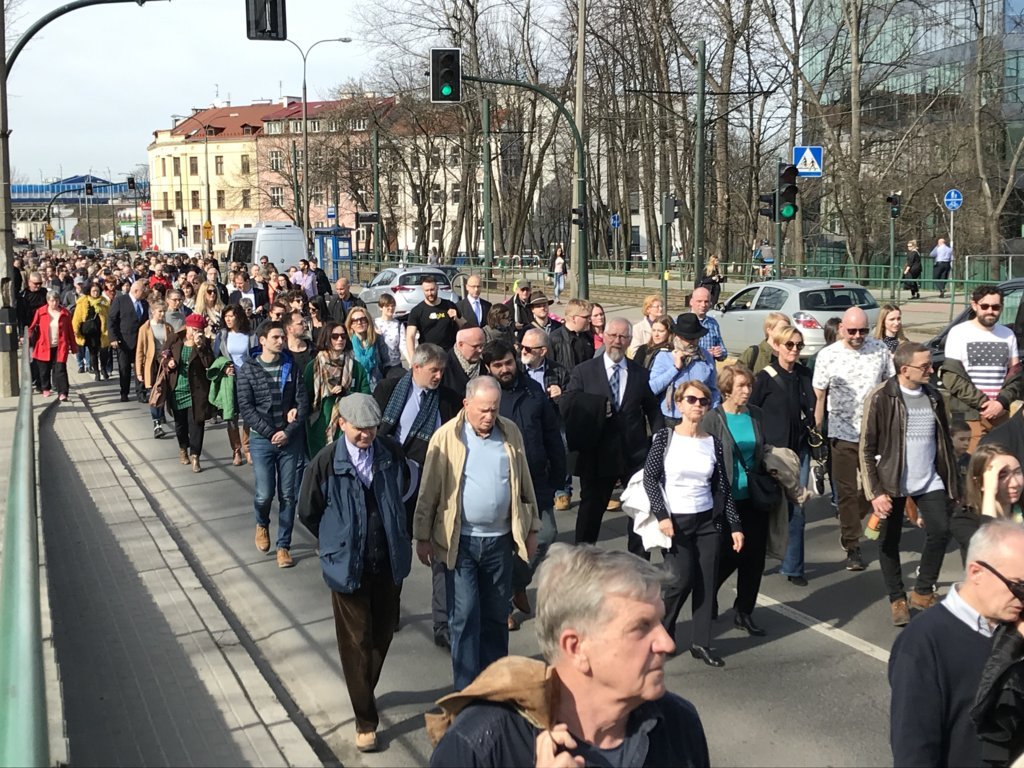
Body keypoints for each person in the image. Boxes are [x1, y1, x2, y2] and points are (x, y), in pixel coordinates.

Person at [427, 544, 710, 768]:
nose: (667, 643)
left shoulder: (678, 724)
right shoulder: (481, 745)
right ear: (576, 647)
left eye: (660, 622)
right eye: (641, 627)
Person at [298, 394, 415, 754]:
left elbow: (408, 492)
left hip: (388, 561)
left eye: (372, 427)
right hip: (348, 565)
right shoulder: (326, 462)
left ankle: (363, 684)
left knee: (382, 634)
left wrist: (400, 530)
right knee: (356, 641)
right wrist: (334, 539)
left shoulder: (390, 453)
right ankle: (365, 720)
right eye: (359, 428)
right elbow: (308, 510)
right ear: (342, 424)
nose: (366, 434)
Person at [413, 376, 540, 690]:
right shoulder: (446, 437)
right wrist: (423, 536)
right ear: (466, 404)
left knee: (497, 617)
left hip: (499, 543)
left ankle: (496, 687)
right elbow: (428, 490)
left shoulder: (510, 432)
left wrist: (532, 528)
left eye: (494, 410)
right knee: (466, 616)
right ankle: (467, 691)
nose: (489, 417)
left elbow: (525, 483)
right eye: (483, 410)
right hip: (461, 543)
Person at [889, 520, 1024, 767]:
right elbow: (914, 753)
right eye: (1018, 585)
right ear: (976, 573)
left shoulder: (1015, 628)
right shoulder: (923, 643)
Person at [643, 380, 742, 667]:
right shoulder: (664, 438)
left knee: (706, 582)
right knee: (679, 580)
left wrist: (735, 525)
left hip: (707, 519)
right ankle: (662, 632)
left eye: (703, 401)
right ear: (678, 404)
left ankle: (702, 643)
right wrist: (662, 515)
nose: (698, 405)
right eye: (691, 400)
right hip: (676, 521)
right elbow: (650, 478)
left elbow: (722, 486)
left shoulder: (713, 442)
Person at [860, 342, 958, 625]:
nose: (931, 369)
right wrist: (875, 492)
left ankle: (923, 590)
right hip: (892, 482)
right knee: (889, 542)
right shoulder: (881, 397)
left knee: (940, 531)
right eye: (925, 366)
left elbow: (945, 444)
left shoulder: (934, 397)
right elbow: (866, 449)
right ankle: (897, 598)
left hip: (929, 480)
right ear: (905, 370)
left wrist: (954, 483)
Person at [373, 343, 463, 649]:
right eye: (433, 370)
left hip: (434, 484)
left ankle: (443, 623)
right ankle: (390, 611)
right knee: (395, 549)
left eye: (442, 370)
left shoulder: (447, 400)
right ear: (416, 368)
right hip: (396, 483)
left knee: (439, 551)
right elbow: (373, 432)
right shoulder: (388, 390)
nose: (439, 376)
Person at [481, 340, 567, 630]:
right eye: (498, 365)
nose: (505, 369)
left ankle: (517, 583)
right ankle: (502, 601)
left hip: (535, 479)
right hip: (499, 482)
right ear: (488, 368)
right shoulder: (484, 396)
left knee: (546, 535)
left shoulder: (533, 391)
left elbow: (552, 434)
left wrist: (559, 476)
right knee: (505, 545)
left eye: (508, 362)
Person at [561, 317, 664, 550]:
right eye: (613, 336)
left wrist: (658, 440)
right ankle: (583, 561)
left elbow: (652, 410)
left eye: (622, 337)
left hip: (633, 455)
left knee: (639, 511)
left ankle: (637, 564)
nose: (617, 341)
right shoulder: (584, 371)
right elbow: (567, 404)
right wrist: (596, 406)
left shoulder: (640, 374)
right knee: (590, 513)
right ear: (604, 337)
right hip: (597, 455)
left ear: (629, 340)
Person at [812, 306, 894, 571]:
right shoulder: (829, 355)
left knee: (872, 489)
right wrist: (816, 429)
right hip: (842, 432)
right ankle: (852, 545)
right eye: (852, 331)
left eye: (863, 330)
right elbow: (819, 395)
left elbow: (891, 386)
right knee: (846, 492)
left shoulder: (880, 349)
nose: (858, 335)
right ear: (841, 329)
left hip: (874, 434)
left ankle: (854, 522)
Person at [700, 365, 770, 637]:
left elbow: (762, 450)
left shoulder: (756, 416)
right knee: (726, 555)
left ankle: (744, 612)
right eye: (741, 386)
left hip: (754, 497)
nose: (747, 390)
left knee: (754, 559)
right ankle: (708, 594)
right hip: (724, 499)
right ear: (726, 388)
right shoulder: (713, 419)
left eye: (749, 386)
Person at [236, 320, 310, 569]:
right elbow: (246, 407)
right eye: (276, 337)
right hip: (262, 440)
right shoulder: (248, 369)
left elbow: (303, 402)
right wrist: (271, 434)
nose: (281, 341)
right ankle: (262, 523)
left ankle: (284, 546)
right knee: (264, 493)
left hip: (290, 440)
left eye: (282, 337)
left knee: (288, 495)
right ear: (263, 341)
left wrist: (288, 431)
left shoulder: (292, 366)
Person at [750, 324, 816, 586]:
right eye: (789, 345)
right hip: (771, 453)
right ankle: (752, 555)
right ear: (777, 346)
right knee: (764, 508)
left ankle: (793, 567)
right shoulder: (764, 378)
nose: (795, 350)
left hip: (798, 452)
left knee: (797, 509)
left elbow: (812, 407)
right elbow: (751, 411)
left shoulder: (804, 375)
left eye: (799, 345)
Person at [942, 284, 1021, 450]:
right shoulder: (959, 332)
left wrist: (1000, 402)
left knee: (999, 463)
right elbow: (951, 377)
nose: (990, 311)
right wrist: (984, 403)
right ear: (974, 305)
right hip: (969, 413)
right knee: (971, 465)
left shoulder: (1008, 334)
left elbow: (1015, 374)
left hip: (1000, 413)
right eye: (985, 306)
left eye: (995, 307)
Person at [305, 321, 370, 459]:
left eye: (343, 336)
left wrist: (347, 393)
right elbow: (305, 397)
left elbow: (366, 397)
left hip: (347, 426)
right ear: (326, 339)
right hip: (319, 426)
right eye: (335, 336)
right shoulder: (314, 366)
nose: (340, 339)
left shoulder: (356, 367)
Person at [950, 445, 1024, 560]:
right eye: (1001, 476)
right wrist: (989, 491)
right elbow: (989, 553)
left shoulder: (1019, 510)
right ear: (979, 482)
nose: (1015, 483)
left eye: (1017, 472)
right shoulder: (964, 520)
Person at [649, 313, 721, 424]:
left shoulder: (706, 356)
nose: (692, 342)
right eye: (687, 338)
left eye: (695, 338)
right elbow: (652, 388)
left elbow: (713, 389)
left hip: (700, 417)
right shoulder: (664, 355)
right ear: (678, 336)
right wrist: (675, 368)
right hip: (671, 418)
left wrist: (712, 412)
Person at [167, 314, 215, 473]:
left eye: (198, 330)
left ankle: (195, 456)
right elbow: (163, 353)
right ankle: (183, 448)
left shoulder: (205, 343)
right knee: (180, 424)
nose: (194, 333)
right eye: (192, 329)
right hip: (177, 388)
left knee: (197, 423)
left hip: (196, 390)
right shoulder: (175, 339)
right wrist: (169, 361)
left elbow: (209, 364)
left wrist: (201, 347)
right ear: (186, 326)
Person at [214, 305, 259, 465]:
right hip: (230, 381)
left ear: (239, 317)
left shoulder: (251, 335)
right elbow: (216, 357)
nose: (228, 319)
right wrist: (225, 366)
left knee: (248, 415)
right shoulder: (222, 336)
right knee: (231, 417)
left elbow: (256, 356)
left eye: (231, 316)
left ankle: (247, 448)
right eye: (225, 316)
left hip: (247, 379)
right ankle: (236, 450)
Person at [135, 299, 176, 440]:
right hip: (151, 364)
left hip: (164, 363)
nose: (162, 314)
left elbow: (174, 346)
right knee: (154, 395)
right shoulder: (145, 329)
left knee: (163, 393)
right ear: (153, 312)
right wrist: (139, 372)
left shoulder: (168, 327)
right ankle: (157, 424)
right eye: (160, 311)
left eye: (164, 311)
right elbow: (140, 351)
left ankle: (161, 414)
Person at [29, 289, 77, 401]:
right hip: (44, 346)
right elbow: (32, 327)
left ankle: (63, 393)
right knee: (44, 370)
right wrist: (27, 338)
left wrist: (74, 347)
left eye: (56, 300)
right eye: (52, 301)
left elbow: (70, 331)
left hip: (60, 346)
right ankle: (46, 388)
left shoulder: (65, 313)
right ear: (47, 301)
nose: (54, 303)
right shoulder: (40, 312)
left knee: (60, 370)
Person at [107, 279, 150, 403]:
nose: (145, 293)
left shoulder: (144, 303)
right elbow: (111, 320)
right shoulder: (120, 301)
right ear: (136, 291)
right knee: (124, 369)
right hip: (124, 341)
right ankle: (124, 392)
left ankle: (141, 393)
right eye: (143, 291)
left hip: (140, 342)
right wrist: (113, 338)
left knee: (140, 369)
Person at [406, 276, 463, 360]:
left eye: (432, 289)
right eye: (427, 290)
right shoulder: (417, 311)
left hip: (450, 354)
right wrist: (412, 359)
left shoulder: (449, 305)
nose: (430, 293)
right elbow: (410, 336)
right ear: (423, 290)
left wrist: (457, 319)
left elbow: (464, 327)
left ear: (437, 288)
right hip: (428, 355)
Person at [72, 281, 110, 383]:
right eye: (93, 291)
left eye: (97, 291)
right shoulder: (83, 302)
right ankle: (96, 372)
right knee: (93, 353)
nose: (96, 293)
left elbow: (109, 315)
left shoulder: (104, 302)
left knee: (104, 352)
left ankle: (103, 369)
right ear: (89, 291)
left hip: (102, 331)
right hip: (90, 332)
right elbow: (77, 317)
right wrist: (75, 329)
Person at [347, 306, 388, 389]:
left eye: (362, 319)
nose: (359, 323)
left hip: (377, 385)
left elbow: (385, 361)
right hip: (357, 387)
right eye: (354, 321)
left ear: (368, 321)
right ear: (350, 325)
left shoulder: (378, 339)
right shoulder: (347, 343)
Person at [548, 298, 594, 371]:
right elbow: (549, 368)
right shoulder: (554, 339)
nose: (590, 320)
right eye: (586, 317)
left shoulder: (588, 336)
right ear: (573, 318)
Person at [441, 326, 485, 394]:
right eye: (475, 346)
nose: (480, 350)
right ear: (461, 344)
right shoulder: (443, 365)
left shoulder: (485, 366)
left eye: (482, 345)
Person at [689, 287, 728, 361]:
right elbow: (676, 352)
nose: (703, 305)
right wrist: (704, 354)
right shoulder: (680, 322)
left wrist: (719, 353)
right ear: (691, 301)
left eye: (706, 301)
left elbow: (724, 352)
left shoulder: (713, 324)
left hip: (709, 370)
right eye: (699, 301)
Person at [373, 294, 403, 370]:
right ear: (381, 307)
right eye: (387, 306)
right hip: (379, 365)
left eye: (393, 306)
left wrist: (411, 361)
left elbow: (404, 345)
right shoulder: (374, 324)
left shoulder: (398, 324)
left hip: (395, 365)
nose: (391, 308)